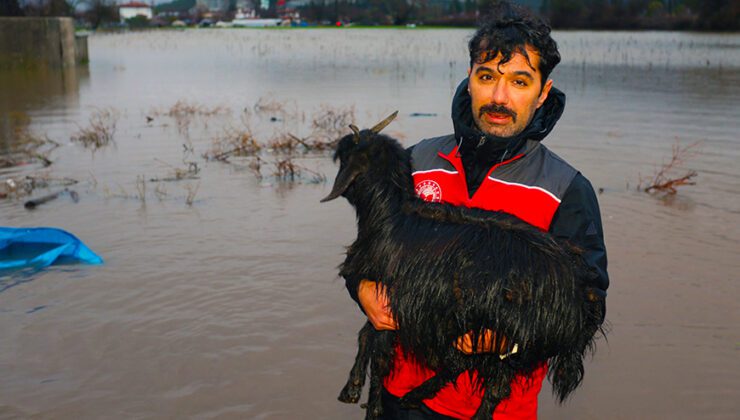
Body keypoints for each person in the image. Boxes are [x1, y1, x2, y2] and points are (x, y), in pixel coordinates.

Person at [344, 2, 609, 419]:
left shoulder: (566, 190)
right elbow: (368, 254)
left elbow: (587, 306)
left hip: (493, 410)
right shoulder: (415, 162)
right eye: (487, 77)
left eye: (520, 82)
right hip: (396, 397)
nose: (499, 97)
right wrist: (362, 291)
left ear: (542, 93)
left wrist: (512, 339)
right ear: (469, 80)